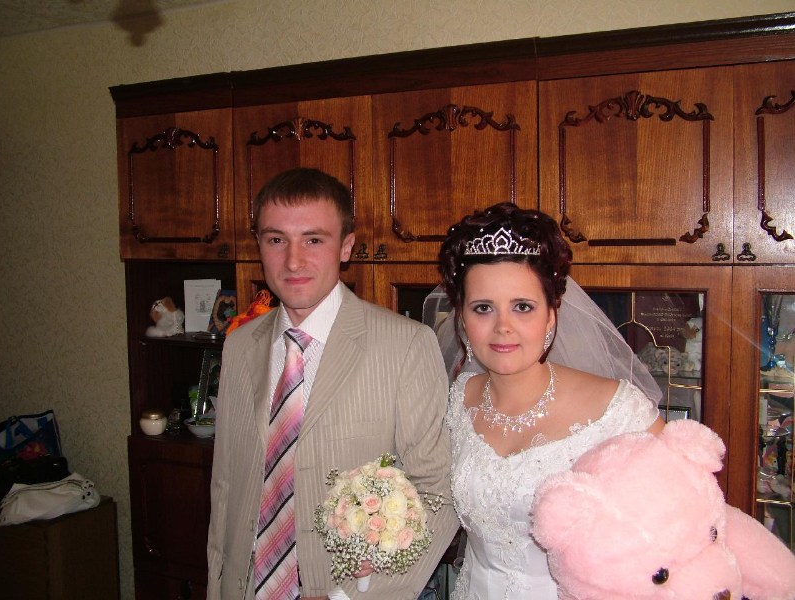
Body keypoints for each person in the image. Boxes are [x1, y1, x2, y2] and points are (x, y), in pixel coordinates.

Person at [207, 168, 459, 600]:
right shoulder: (239, 345)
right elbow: (226, 486)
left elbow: (438, 492)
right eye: (276, 239)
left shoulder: (406, 346)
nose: (293, 261)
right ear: (259, 245)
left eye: (313, 240)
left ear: (346, 247)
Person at [438, 202, 665, 599]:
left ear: (551, 317)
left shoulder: (618, 411)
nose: (503, 326)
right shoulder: (458, 399)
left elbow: (679, 535)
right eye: (483, 308)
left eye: (522, 307)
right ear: (462, 319)